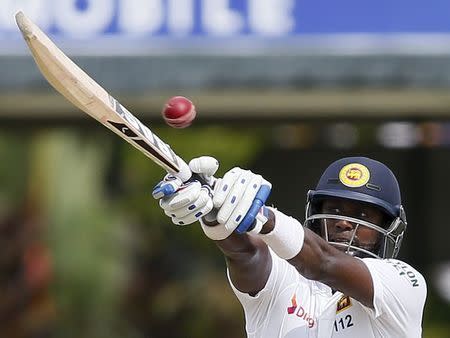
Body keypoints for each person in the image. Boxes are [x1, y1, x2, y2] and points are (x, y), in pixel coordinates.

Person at [153, 156, 427, 337]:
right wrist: (213, 211)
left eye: (363, 215)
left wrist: (262, 216)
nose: (344, 223)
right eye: (334, 209)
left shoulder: (403, 284)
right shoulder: (287, 280)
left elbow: (322, 262)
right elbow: (245, 252)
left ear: (389, 227)